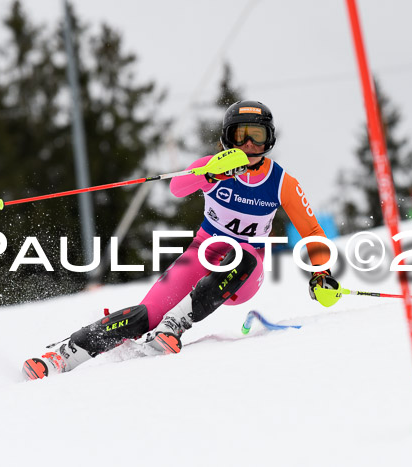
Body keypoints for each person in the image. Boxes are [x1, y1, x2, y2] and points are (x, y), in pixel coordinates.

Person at [23, 100, 340, 380]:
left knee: (241, 254)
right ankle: (63, 354)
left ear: (268, 141)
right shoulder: (213, 165)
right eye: (238, 136)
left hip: (246, 269)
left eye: (256, 137)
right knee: (147, 313)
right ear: (225, 139)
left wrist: (321, 272)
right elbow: (177, 189)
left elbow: (312, 231)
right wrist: (210, 174)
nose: (246, 145)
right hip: (202, 252)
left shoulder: (281, 182)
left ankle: (175, 323)